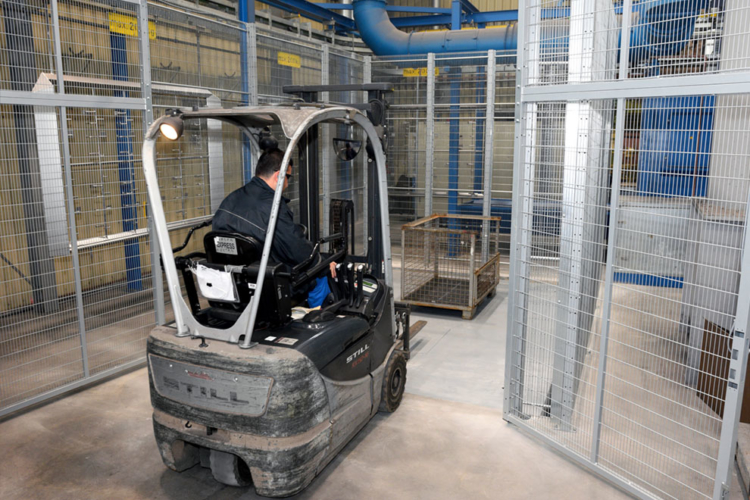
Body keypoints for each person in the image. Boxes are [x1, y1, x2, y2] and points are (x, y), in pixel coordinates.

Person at [212, 148, 335, 308]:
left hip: (232, 285)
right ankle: (317, 318)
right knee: (320, 275)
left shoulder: (229, 200)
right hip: (268, 286)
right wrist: (323, 263)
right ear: (279, 175)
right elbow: (298, 251)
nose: (288, 183)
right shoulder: (274, 207)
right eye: (288, 177)